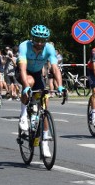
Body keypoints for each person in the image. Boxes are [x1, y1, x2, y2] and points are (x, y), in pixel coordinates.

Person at [17, 25, 64, 158]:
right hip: (24, 71)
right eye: (37, 39)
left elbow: (55, 69)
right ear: (32, 38)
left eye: (42, 40)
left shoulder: (49, 48)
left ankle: (44, 142)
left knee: (44, 102)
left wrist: (60, 86)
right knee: (30, 82)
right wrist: (25, 86)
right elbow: (22, 68)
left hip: (37, 73)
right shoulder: (24, 46)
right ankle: (23, 114)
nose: (39, 43)